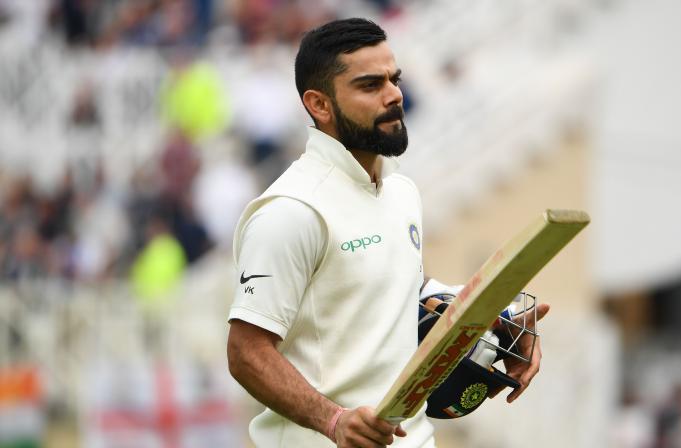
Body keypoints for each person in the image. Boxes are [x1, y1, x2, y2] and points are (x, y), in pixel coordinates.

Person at [226, 18, 547, 448]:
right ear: (319, 105)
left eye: (394, 79)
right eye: (370, 84)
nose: (394, 94)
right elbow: (246, 352)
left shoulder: (400, 191)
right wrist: (333, 420)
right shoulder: (291, 211)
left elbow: (396, 291)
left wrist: (497, 318)